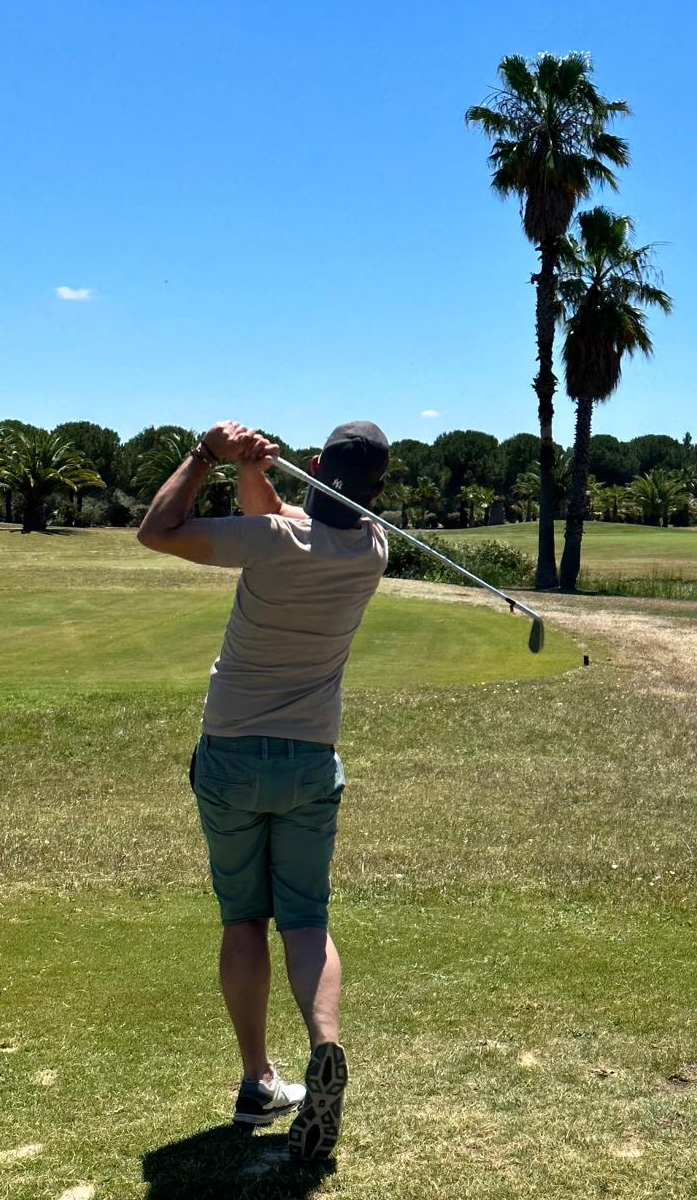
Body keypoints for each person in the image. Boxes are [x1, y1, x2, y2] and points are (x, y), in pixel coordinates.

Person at [137, 419, 389, 1160]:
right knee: (305, 920)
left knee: (245, 918)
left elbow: (158, 530)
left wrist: (205, 454)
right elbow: (275, 513)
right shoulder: (372, 548)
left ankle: (257, 1081)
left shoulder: (270, 543)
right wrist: (254, 467)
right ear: (379, 491)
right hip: (311, 759)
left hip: (231, 755)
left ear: (316, 466)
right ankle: (325, 1048)